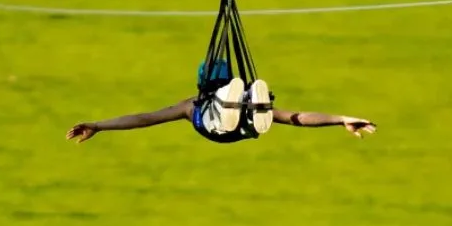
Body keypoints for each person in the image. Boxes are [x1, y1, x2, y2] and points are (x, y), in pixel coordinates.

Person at [67, 93, 374, 143]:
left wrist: (340, 118)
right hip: (212, 127)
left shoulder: (189, 104)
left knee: (258, 109)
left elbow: (297, 117)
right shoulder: (191, 105)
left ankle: (245, 118)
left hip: (238, 124)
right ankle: (234, 118)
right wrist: (99, 125)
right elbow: (144, 118)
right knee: (255, 111)